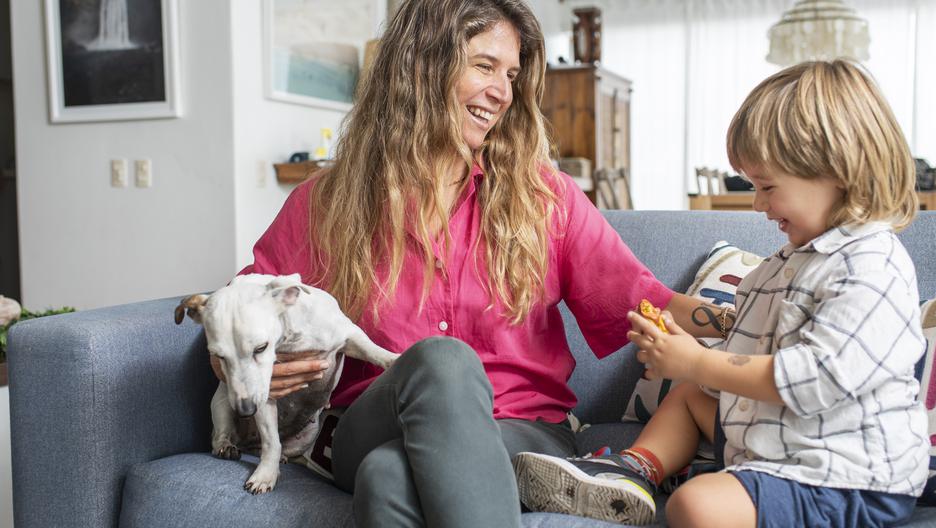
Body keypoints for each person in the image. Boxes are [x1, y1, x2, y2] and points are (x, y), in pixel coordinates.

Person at [211, 1, 730, 526]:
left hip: (519, 426)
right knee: (442, 361)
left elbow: (638, 298)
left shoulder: (543, 197)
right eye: (484, 66)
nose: (502, 92)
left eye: (511, 75)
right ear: (422, 66)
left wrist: (755, 314)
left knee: (387, 476)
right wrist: (240, 364)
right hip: (370, 420)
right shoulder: (328, 201)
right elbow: (242, 302)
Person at [514, 60, 930, 528]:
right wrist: (678, 351)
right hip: (779, 446)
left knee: (697, 504)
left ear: (839, 169)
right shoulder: (780, 266)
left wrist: (696, 360)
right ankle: (632, 470)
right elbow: (737, 356)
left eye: (767, 186)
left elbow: (818, 378)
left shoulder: (870, 263)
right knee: (689, 395)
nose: (757, 204)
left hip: (843, 474)